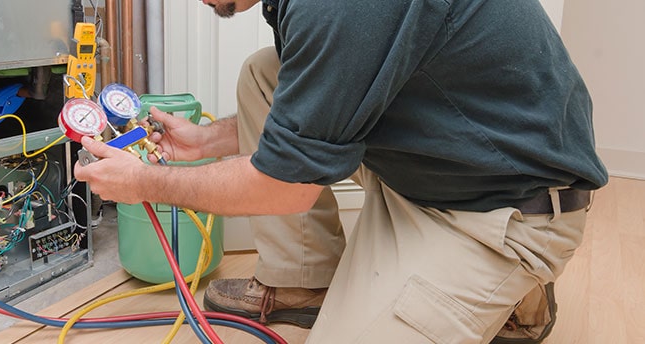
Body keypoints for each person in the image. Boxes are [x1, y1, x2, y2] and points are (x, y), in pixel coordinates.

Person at [73, 0, 608, 342]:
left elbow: (284, 188)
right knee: (266, 73)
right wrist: (207, 139)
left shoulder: (340, 7)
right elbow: (321, 103)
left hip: (503, 208)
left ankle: (514, 288)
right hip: (439, 160)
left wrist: (145, 181)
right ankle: (304, 281)